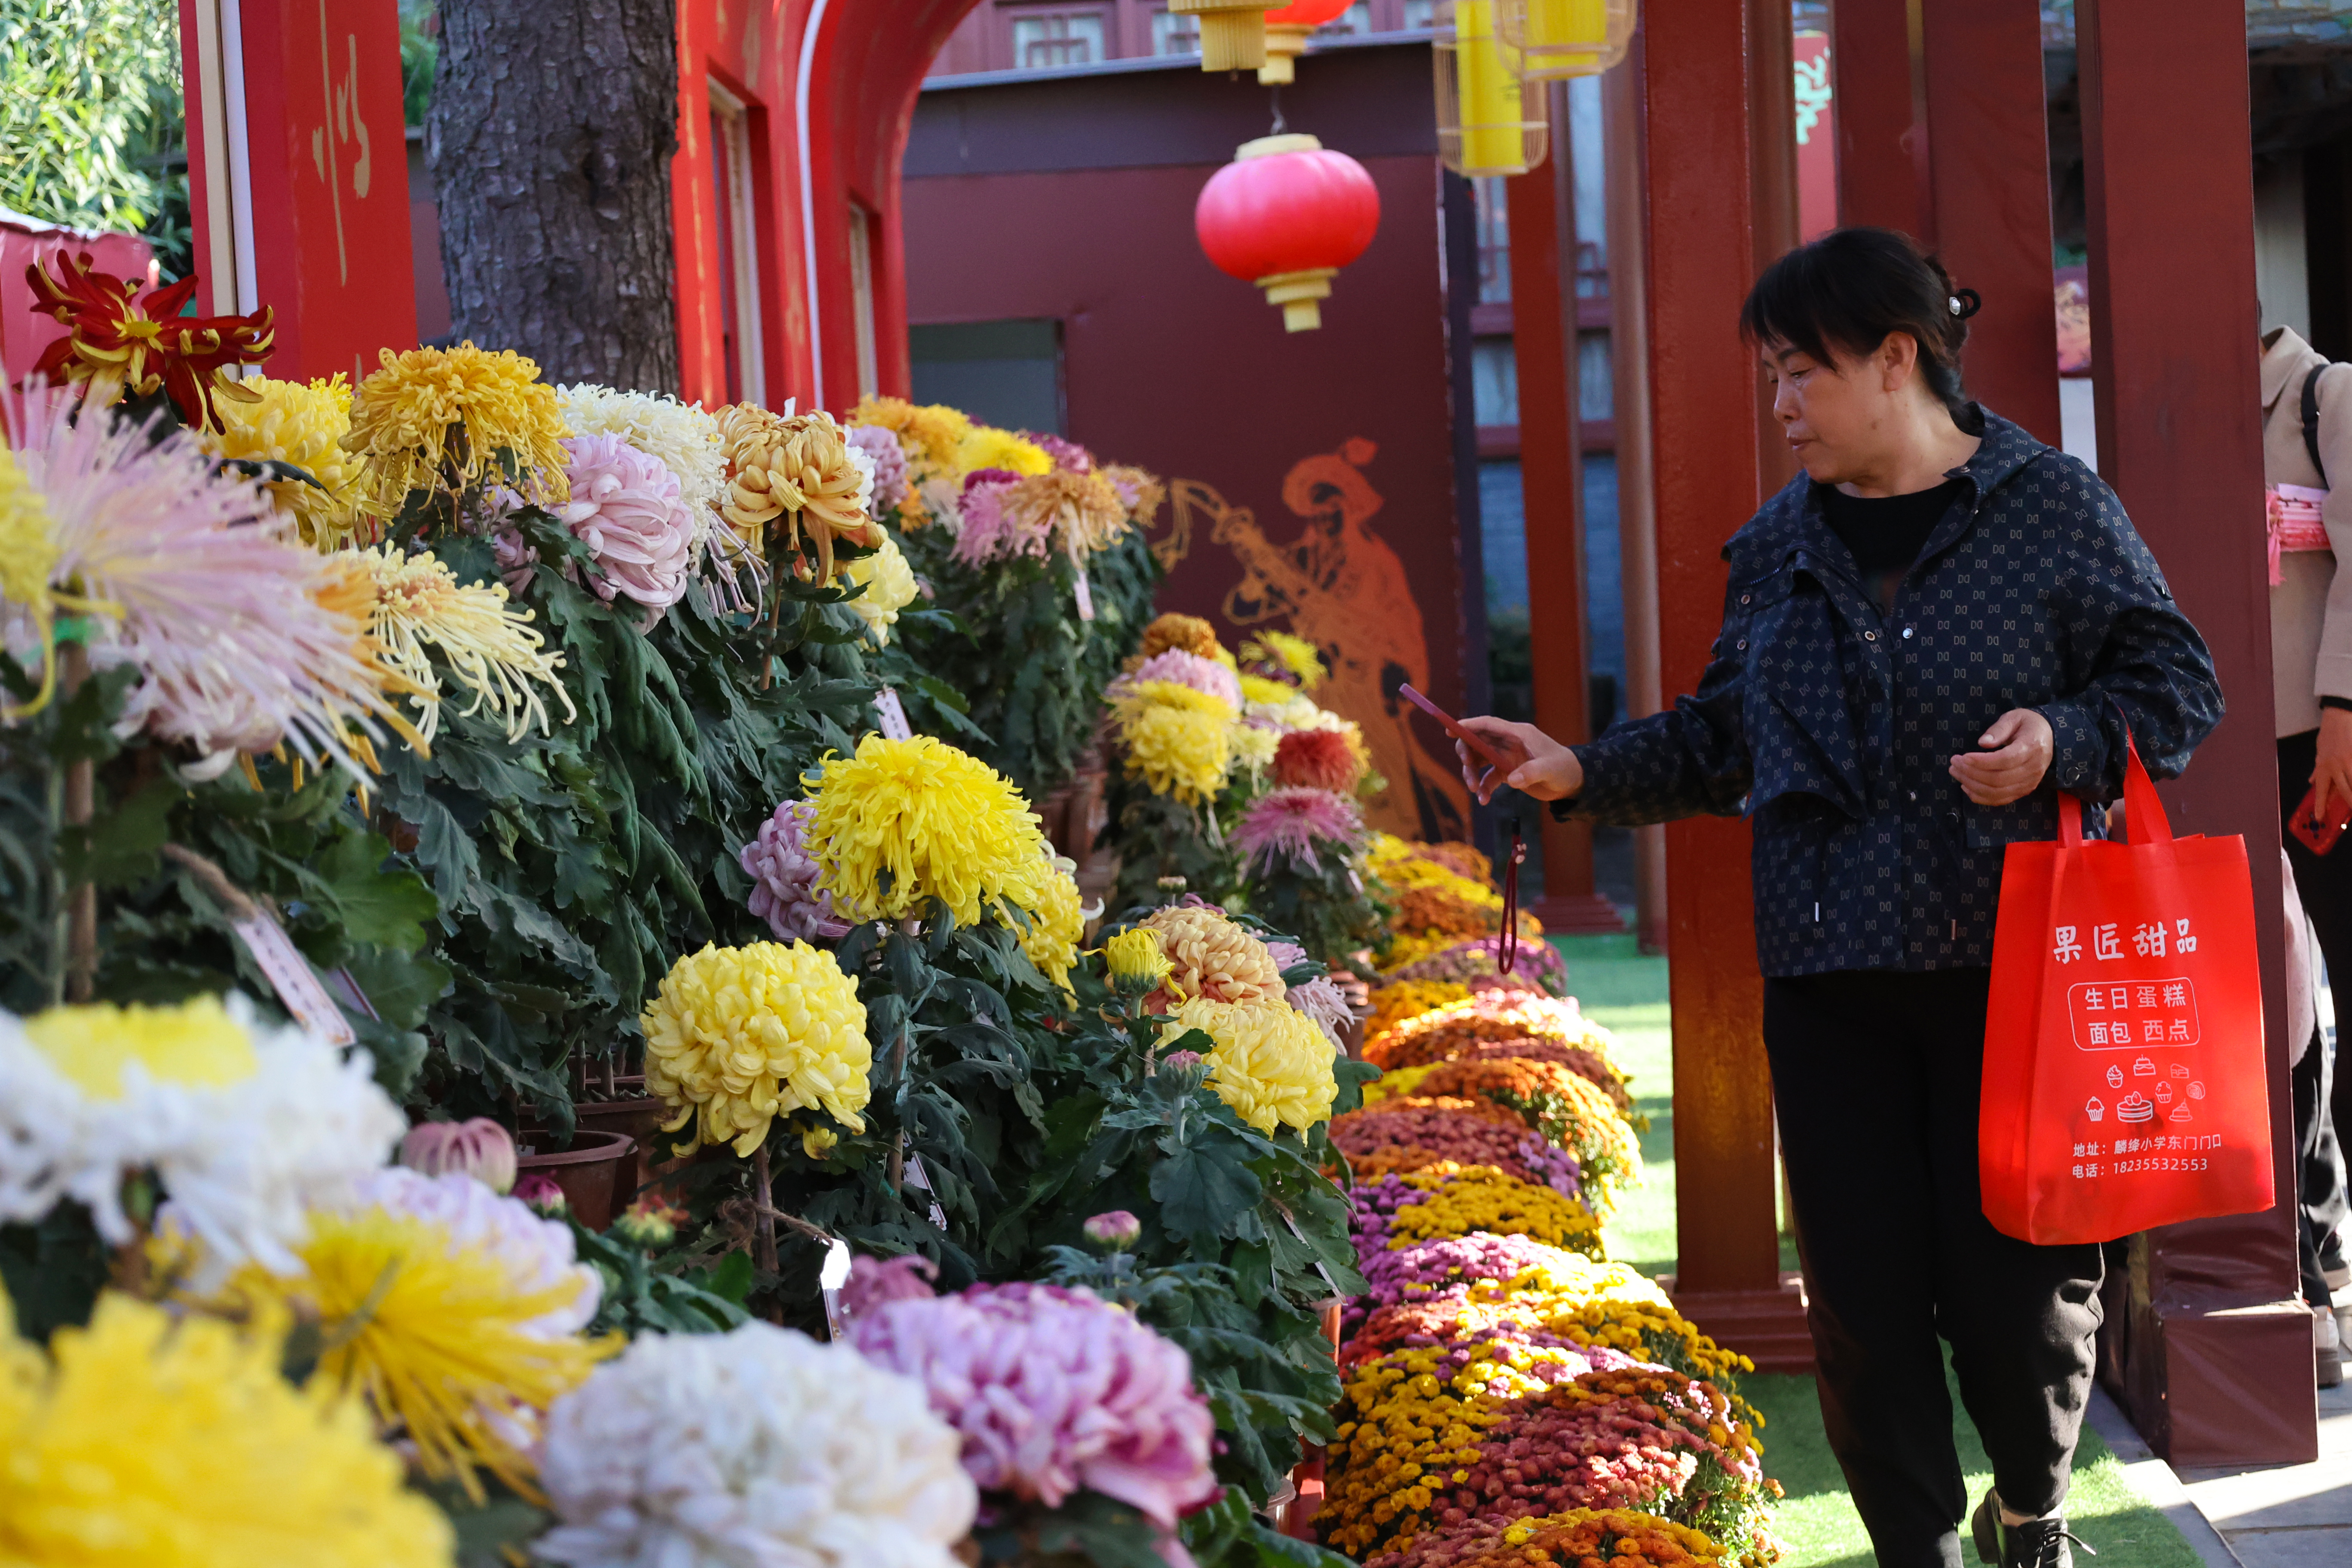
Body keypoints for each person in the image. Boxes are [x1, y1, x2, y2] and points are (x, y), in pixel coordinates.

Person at [1455, 227, 2223, 1568]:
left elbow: (2178, 686)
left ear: (1896, 358)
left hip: (2017, 975)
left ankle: (2033, 1508)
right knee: (1863, 1302)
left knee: (2021, 1295)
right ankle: (1911, 1549)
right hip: (1829, 973)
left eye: (1803, 373)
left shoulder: (2050, 506)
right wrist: (1575, 767)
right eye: (1771, 378)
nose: (1783, 406)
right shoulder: (1779, 547)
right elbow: (1719, 737)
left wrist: (2060, 738)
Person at [2255, 323, 2352, 1373]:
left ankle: (2326, 1265)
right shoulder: (2169, 406)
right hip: (2230, 744)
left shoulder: (2327, 396)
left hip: (2324, 744)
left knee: (2326, 999)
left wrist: (2341, 715)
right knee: (2283, 1008)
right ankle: (2315, 1259)